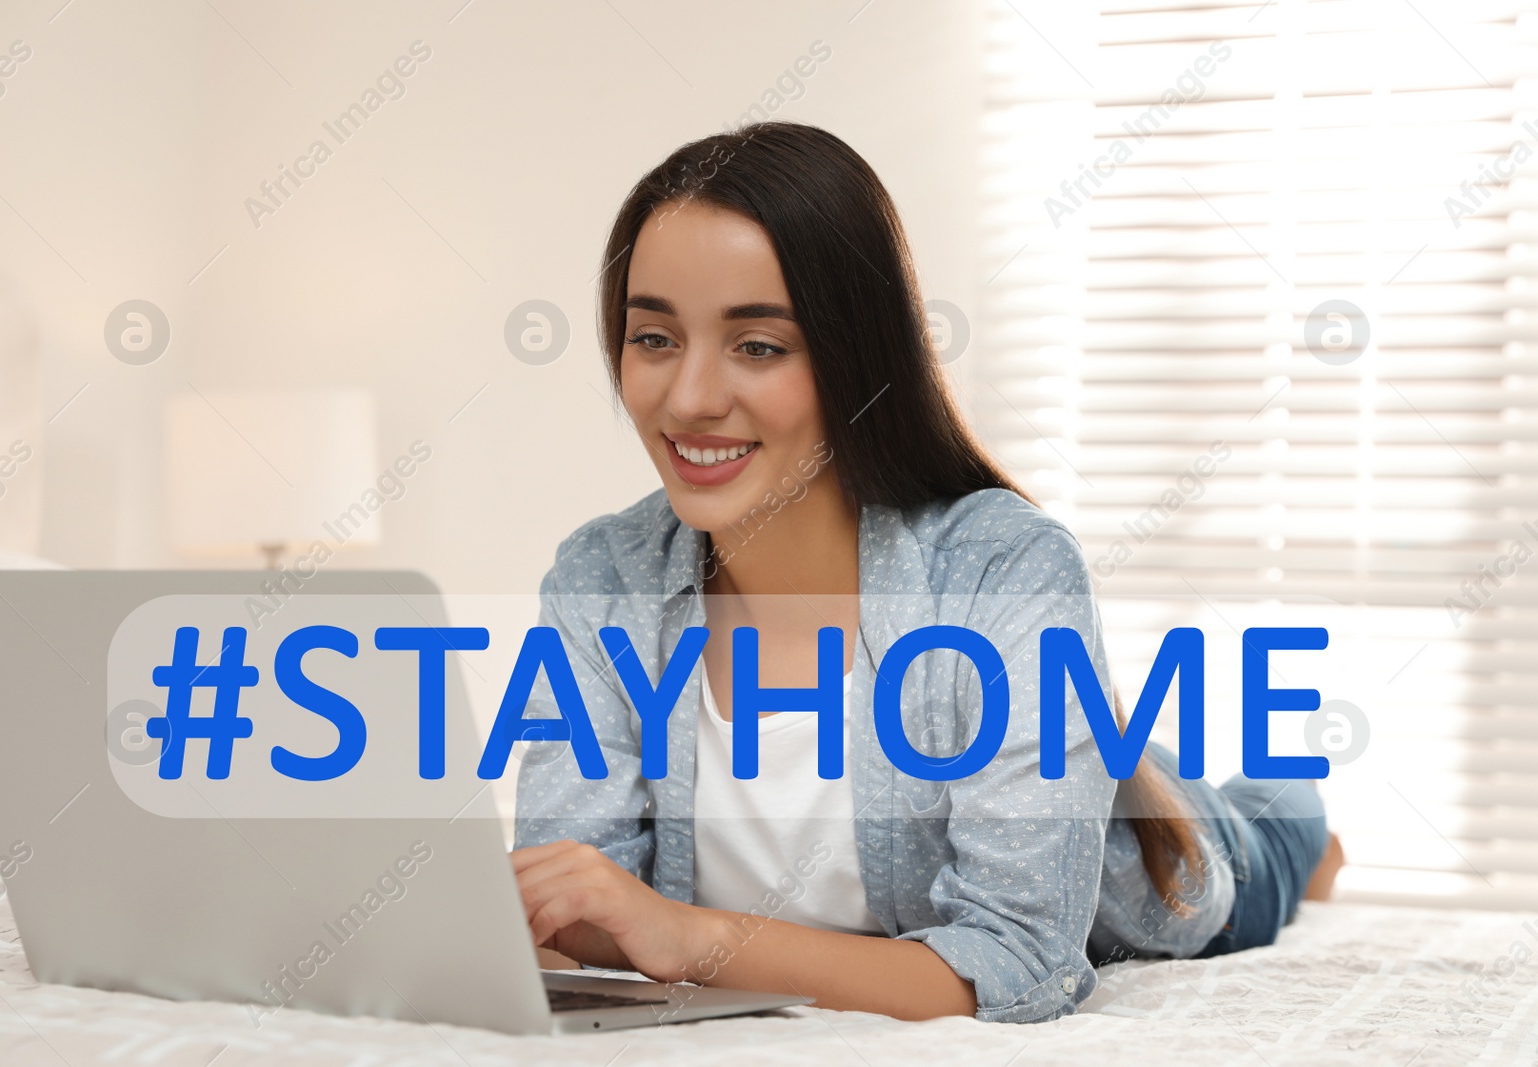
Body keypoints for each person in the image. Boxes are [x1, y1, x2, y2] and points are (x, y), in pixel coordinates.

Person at [510, 122, 1341, 1023]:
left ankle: (1308, 830)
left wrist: (689, 936)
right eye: (655, 337)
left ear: (858, 356)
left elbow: (1020, 960)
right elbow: (577, 900)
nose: (690, 398)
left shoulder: (1005, 568)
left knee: (1270, 816)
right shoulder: (603, 578)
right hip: (1049, 743)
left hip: (1170, 849)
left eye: (759, 345)